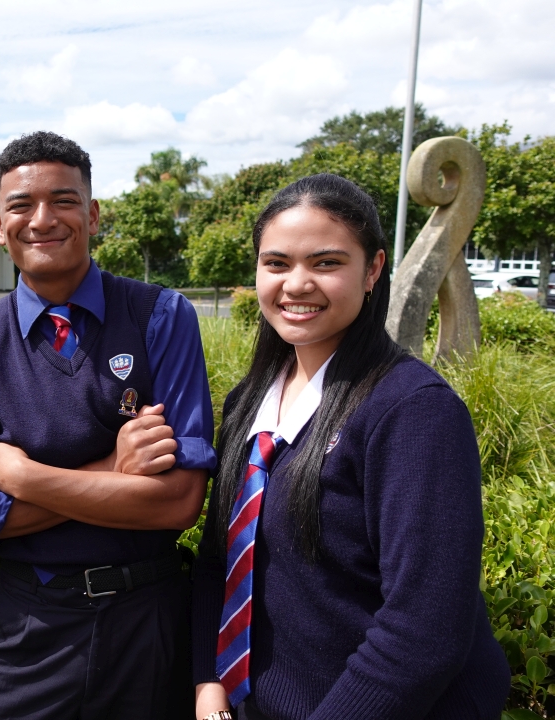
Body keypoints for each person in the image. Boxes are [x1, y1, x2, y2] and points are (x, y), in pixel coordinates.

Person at [191, 173, 511, 720]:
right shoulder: (251, 398)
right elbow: (220, 561)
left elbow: (423, 631)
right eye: (277, 263)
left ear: (373, 270)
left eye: (326, 263)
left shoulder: (413, 412)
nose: (296, 284)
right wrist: (208, 683)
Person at [0, 131, 216, 720]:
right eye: (21, 205)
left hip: (150, 617)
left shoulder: (162, 317)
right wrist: (117, 468)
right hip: (27, 623)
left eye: (63, 201)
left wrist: (24, 477)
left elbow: (178, 502)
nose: (43, 219)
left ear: (92, 214)